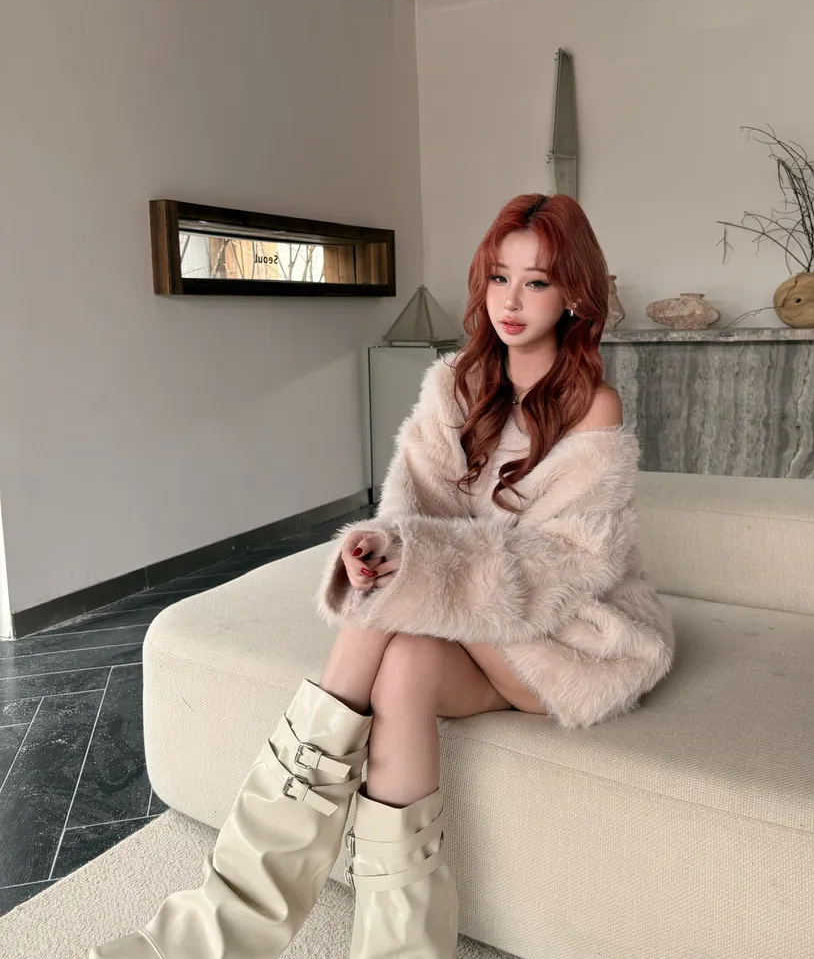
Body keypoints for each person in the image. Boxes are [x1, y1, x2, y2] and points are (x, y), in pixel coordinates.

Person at [88, 193, 675, 959]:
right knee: (399, 666)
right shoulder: (454, 386)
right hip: (458, 625)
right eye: (500, 277)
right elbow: (409, 508)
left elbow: (562, 566)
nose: (511, 300)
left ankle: (214, 933)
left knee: (389, 611)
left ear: (574, 294)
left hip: (550, 642)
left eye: (536, 281)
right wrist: (379, 549)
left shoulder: (593, 405)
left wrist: (419, 566)